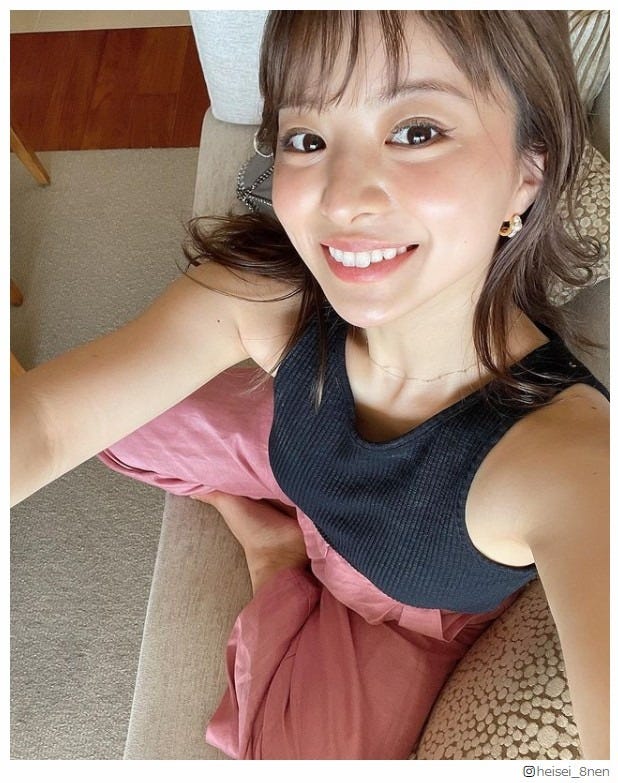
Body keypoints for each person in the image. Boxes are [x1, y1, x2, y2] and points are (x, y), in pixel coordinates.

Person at [11, 11, 609, 760]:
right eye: (307, 139)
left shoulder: (569, 462)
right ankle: (282, 523)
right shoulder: (265, 298)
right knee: (122, 430)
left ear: (528, 172)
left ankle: (273, 557)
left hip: (399, 611)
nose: (340, 199)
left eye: (416, 131)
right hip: (303, 471)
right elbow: (45, 425)